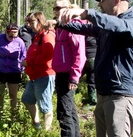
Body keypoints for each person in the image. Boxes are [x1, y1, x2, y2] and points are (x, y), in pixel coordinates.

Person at [55, 0, 133, 136]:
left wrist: (86, 13)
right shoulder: (107, 25)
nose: (99, 5)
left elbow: (119, 26)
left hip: (122, 95)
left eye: (102, 0)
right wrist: (59, 23)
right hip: (105, 93)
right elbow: (85, 28)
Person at [51, 0, 86, 136]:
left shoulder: (74, 26)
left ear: (68, 9)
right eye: (54, 8)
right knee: (69, 110)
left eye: (58, 8)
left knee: (64, 112)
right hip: (60, 73)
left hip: (68, 74)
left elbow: (80, 54)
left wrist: (74, 77)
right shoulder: (61, 27)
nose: (55, 11)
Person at [20, 12, 56, 130]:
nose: (30, 25)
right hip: (34, 76)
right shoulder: (38, 36)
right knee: (27, 99)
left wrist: (29, 61)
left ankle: (46, 131)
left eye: (32, 22)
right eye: (29, 22)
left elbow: (48, 55)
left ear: (40, 22)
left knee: (45, 107)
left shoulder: (47, 35)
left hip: (44, 75)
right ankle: (37, 125)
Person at [0, 23, 26, 117]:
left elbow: (23, 56)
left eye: (15, 34)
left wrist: (22, 69)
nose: (12, 37)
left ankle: (14, 115)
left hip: (14, 71)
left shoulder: (20, 42)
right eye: (10, 35)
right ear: (6, 32)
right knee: (0, 94)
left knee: (13, 95)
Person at [82, 35, 97, 106]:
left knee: (91, 80)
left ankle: (93, 100)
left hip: (92, 58)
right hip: (83, 58)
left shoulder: (96, 32)